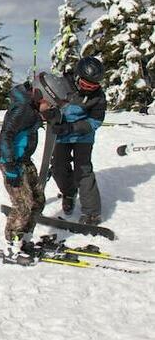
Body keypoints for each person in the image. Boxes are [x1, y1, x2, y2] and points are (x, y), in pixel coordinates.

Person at [0, 80, 55, 264]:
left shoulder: (32, 107)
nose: (50, 106)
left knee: (38, 201)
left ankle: (24, 241)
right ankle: (11, 249)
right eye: (49, 102)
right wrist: (10, 166)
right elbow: (5, 136)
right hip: (11, 161)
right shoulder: (22, 109)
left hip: (24, 160)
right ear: (40, 96)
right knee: (23, 206)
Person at [50, 56, 106, 225]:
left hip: (83, 135)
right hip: (61, 134)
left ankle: (91, 213)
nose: (88, 89)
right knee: (58, 168)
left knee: (83, 170)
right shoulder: (62, 85)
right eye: (85, 85)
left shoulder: (98, 97)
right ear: (76, 77)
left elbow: (95, 121)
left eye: (93, 86)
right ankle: (68, 192)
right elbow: (47, 99)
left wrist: (72, 128)